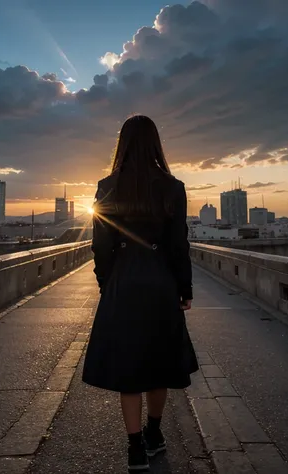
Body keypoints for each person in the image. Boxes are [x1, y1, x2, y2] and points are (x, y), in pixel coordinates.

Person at [82, 115, 199, 472]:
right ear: (155, 144)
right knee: (159, 361)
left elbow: (100, 245)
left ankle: (134, 449)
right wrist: (184, 288)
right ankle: (154, 433)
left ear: (123, 144)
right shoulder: (172, 186)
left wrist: (107, 283)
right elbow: (179, 244)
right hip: (160, 278)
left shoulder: (107, 185)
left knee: (128, 365)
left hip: (124, 280)